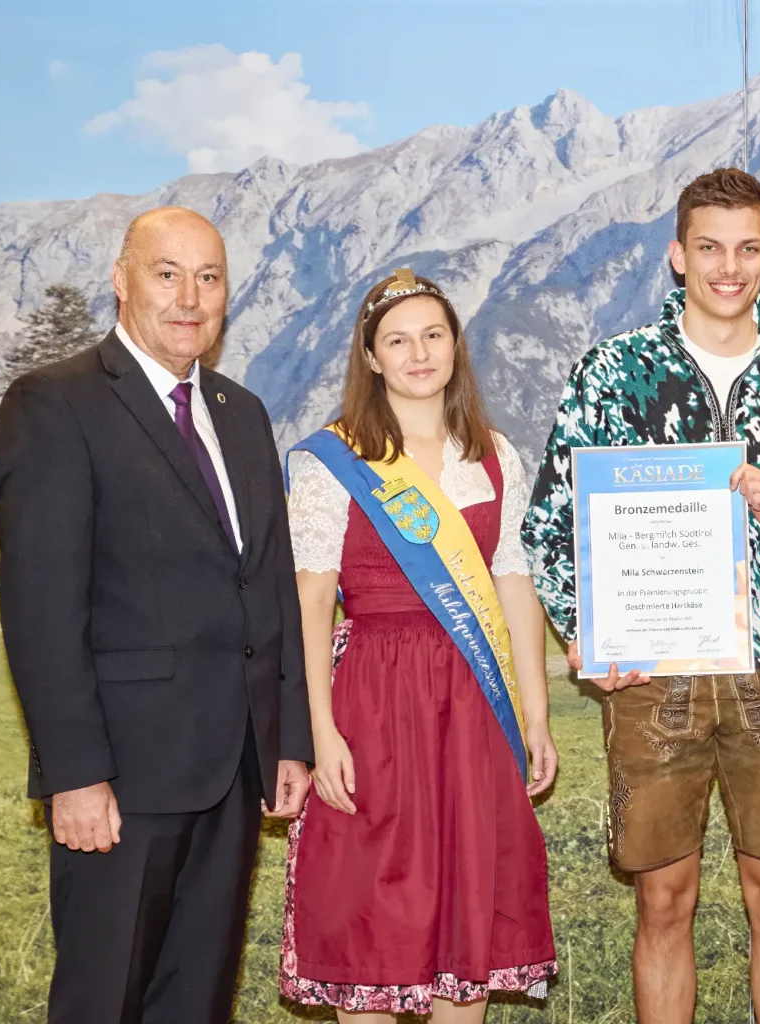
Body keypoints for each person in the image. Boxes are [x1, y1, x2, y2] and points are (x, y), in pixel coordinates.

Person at [522, 167, 760, 1024]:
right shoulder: (612, 373)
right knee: (662, 901)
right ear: (678, 256)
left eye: (748, 249)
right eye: (710, 248)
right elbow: (549, 525)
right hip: (652, 672)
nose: (729, 267)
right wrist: (584, 632)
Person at [0, 206, 312, 1023]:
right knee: (105, 1000)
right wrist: (74, 772)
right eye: (167, 273)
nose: (189, 297)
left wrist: (288, 741)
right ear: (122, 280)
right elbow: (40, 607)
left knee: (197, 1002)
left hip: (235, 773)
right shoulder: (55, 405)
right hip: (122, 778)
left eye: (209, 278)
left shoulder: (243, 415)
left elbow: (269, 585)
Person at [278, 269, 558, 1023]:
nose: (419, 353)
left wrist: (535, 716)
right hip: (372, 702)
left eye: (434, 334)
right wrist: (320, 732)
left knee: (469, 925)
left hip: (473, 704)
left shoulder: (495, 455)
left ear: (456, 345)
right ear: (371, 358)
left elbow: (514, 587)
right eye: (397, 340)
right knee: (371, 914)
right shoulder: (330, 461)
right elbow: (308, 600)